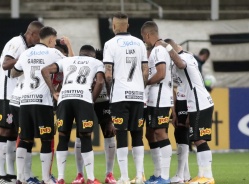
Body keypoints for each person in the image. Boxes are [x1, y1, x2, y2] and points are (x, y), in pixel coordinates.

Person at [0, 20, 44, 184]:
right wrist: (24, 57)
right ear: (32, 34)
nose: (39, 41)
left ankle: (12, 176)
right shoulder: (16, 43)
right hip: (3, 93)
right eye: (38, 37)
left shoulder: (28, 47)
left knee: (15, 134)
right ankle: (1, 176)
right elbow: (6, 64)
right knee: (4, 131)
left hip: (16, 95)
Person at [41, 45, 104, 184]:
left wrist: (53, 91)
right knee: (85, 137)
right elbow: (99, 81)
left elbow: (45, 70)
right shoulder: (97, 62)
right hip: (83, 99)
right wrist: (92, 100)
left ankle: (61, 178)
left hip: (64, 99)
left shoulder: (67, 60)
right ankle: (91, 179)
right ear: (92, 56)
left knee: (63, 137)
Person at [10, 26, 65, 184]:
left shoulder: (26, 53)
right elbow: (69, 66)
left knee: (25, 139)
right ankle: (46, 178)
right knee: (46, 140)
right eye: (54, 41)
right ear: (50, 40)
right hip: (43, 102)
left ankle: (20, 178)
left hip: (25, 102)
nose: (54, 44)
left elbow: (14, 73)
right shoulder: (53, 53)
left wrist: (27, 70)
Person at [158, 38, 215, 184]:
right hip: (195, 103)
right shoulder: (188, 55)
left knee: (200, 139)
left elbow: (180, 64)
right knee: (196, 138)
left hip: (200, 102)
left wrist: (167, 47)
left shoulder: (183, 58)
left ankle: (207, 177)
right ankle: (202, 175)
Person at [103, 12, 149, 184]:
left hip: (120, 95)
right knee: (137, 135)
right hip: (137, 96)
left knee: (121, 135)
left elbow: (108, 74)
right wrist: (140, 88)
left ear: (114, 26)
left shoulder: (110, 44)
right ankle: (139, 176)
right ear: (128, 25)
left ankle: (123, 177)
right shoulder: (140, 44)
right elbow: (146, 71)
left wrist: (110, 93)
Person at [71, 49, 117, 184]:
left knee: (109, 134)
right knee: (81, 136)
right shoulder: (83, 67)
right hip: (85, 101)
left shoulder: (104, 67)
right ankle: (79, 174)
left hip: (103, 103)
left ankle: (110, 174)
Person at [140, 21, 173, 184]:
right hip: (155, 97)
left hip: (160, 95)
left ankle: (165, 177)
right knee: (151, 133)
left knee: (160, 132)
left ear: (147, 35)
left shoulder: (158, 50)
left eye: (143, 37)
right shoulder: (158, 49)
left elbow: (161, 74)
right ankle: (158, 173)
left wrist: (145, 83)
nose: (144, 40)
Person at [167, 40, 191, 183]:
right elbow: (173, 88)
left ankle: (181, 175)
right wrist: (174, 111)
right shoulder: (169, 64)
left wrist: (189, 109)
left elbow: (192, 85)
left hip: (190, 99)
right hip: (180, 100)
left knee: (183, 132)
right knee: (179, 133)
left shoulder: (186, 59)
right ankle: (185, 174)